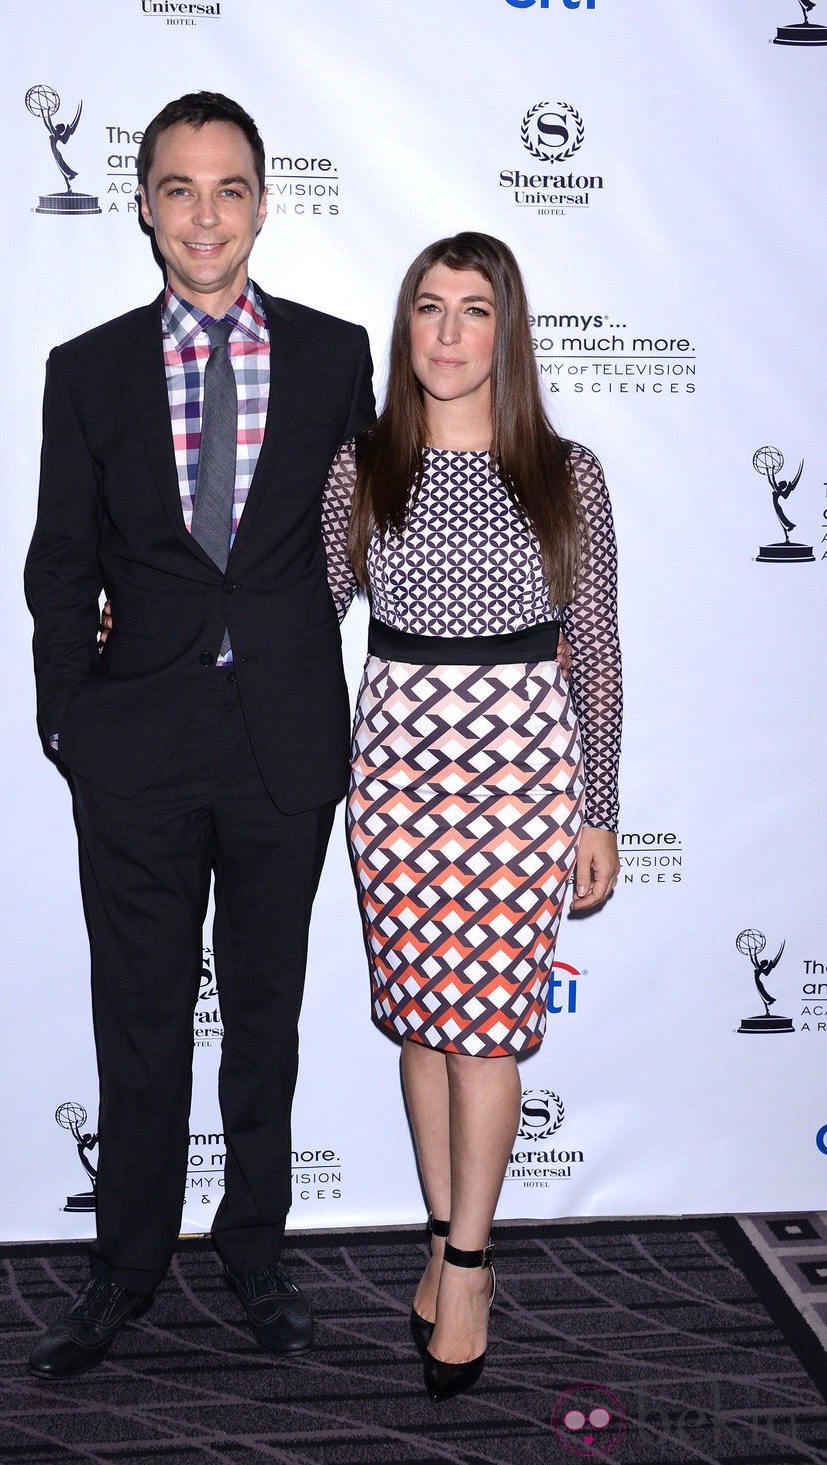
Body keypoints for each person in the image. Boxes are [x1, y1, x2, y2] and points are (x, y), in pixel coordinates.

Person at [23, 92, 374, 1378]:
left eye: (230, 188)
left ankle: (255, 1252)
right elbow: (61, 566)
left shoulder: (339, 359)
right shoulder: (88, 369)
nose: (206, 213)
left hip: (283, 745)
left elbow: (354, 541)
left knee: (266, 1020)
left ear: (264, 204)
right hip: (135, 747)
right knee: (140, 1019)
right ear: (145, 207)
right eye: (179, 188)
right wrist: (71, 713)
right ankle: (125, 1266)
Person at [328, 232, 621, 1401]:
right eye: (427, 310)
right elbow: (297, 606)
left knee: (487, 1029)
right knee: (420, 1023)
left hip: (517, 768)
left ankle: (468, 1263)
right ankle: (443, 1236)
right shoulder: (361, 469)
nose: (447, 333)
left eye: (473, 310)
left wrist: (598, 808)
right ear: (403, 330)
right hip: (395, 761)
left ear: (508, 330)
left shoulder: (564, 470)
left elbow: (592, 647)